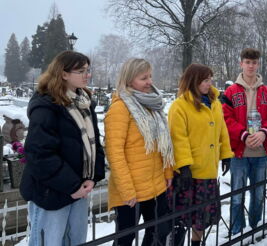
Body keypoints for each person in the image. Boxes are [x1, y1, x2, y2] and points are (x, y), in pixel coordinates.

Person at [20, 51, 105, 246]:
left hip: (79, 188)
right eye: (81, 71)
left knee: (75, 240)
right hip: (51, 192)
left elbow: (94, 143)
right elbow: (39, 153)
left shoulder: (84, 103)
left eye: (88, 70)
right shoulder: (46, 105)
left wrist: (92, 177)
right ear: (64, 74)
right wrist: (72, 186)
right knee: (50, 242)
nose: (87, 75)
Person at [105, 58, 175, 246]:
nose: (150, 82)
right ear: (129, 80)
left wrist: (168, 172)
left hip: (156, 184)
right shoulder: (120, 108)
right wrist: (127, 190)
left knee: (157, 232)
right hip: (131, 190)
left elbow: (163, 143)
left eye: (150, 76)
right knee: (126, 238)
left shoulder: (152, 104)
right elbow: (114, 152)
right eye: (143, 78)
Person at [168, 64, 233, 246]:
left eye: (210, 80)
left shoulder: (214, 103)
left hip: (208, 171)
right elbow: (178, 138)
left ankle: (196, 244)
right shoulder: (179, 106)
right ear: (194, 81)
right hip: (189, 174)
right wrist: (184, 165)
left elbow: (222, 131)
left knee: (202, 219)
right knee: (181, 219)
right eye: (205, 80)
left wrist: (226, 154)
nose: (209, 84)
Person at [221, 48, 267, 235]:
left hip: (261, 154)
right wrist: (244, 135)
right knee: (237, 196)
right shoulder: (230, 92)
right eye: (247, 62)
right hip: (239, 153)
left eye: (254, 62)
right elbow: (226, 119)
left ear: (258, 64)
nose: (251, 66)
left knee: (258, 195)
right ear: (241, 64)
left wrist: (264, 132)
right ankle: (237, 233)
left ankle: (255, 229)